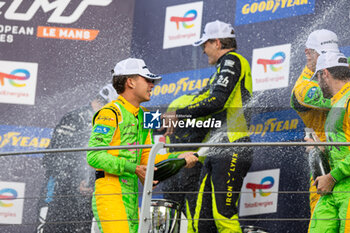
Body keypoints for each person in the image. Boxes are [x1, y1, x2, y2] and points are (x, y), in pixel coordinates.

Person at [86, 58, 198, 233]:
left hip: (132, 196)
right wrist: (134, 168)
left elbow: (148, 157)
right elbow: (94, 155)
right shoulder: (109, 112)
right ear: (130, 82)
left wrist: (179, 157)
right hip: (110, 193)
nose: (152, 84)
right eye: (147, 80)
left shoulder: (146, 115)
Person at [162, 20, 253, 232]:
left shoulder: (233, 60)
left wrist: (179, 113)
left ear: (217, 42)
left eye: (205, 44)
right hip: (216, 149)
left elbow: (216, 101)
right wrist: (168, 115)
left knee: (223, 216)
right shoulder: (220, 70)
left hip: (232, 145)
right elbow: (201, 99)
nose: (203, 50)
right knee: (203, 222)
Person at [37, 84, 118, 233]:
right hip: (58, 195)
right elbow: (53, 158)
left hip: (87, 198)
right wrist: (76, 183)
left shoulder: (105, 124)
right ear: (105, 102)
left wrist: (92, 184)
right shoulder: (74, 118)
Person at [290, 29, 339, 217]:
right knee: (323, 222)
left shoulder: (340, 65)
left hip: (345, 157)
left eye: (332, 54)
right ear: (308, 53)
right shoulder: (303, 87)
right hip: (324, 162)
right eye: (322, 54)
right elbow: (339, 97)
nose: (329, 59)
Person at [309, 52, 350, 233]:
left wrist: (332, 177)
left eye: (317, 77)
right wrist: (323, 150)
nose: (318, 83)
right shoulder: (336, 103)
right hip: (333, 190)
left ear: (324, 73)